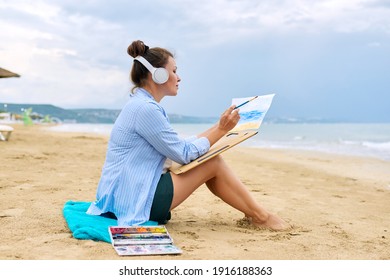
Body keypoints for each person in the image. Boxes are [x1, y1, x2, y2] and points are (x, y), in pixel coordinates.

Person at [87, 40, 289, 231]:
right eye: (174, 71)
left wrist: (219, 127)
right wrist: (221, 131)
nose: (179, 77)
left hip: (123, 195)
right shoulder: (146, 110)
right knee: (213, 163)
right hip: (134, 201)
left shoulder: (140, 104)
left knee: (207, 157)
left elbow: (179, 145)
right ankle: (261, 217)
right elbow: (183, 153)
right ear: (158, 75)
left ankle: (254, 213)